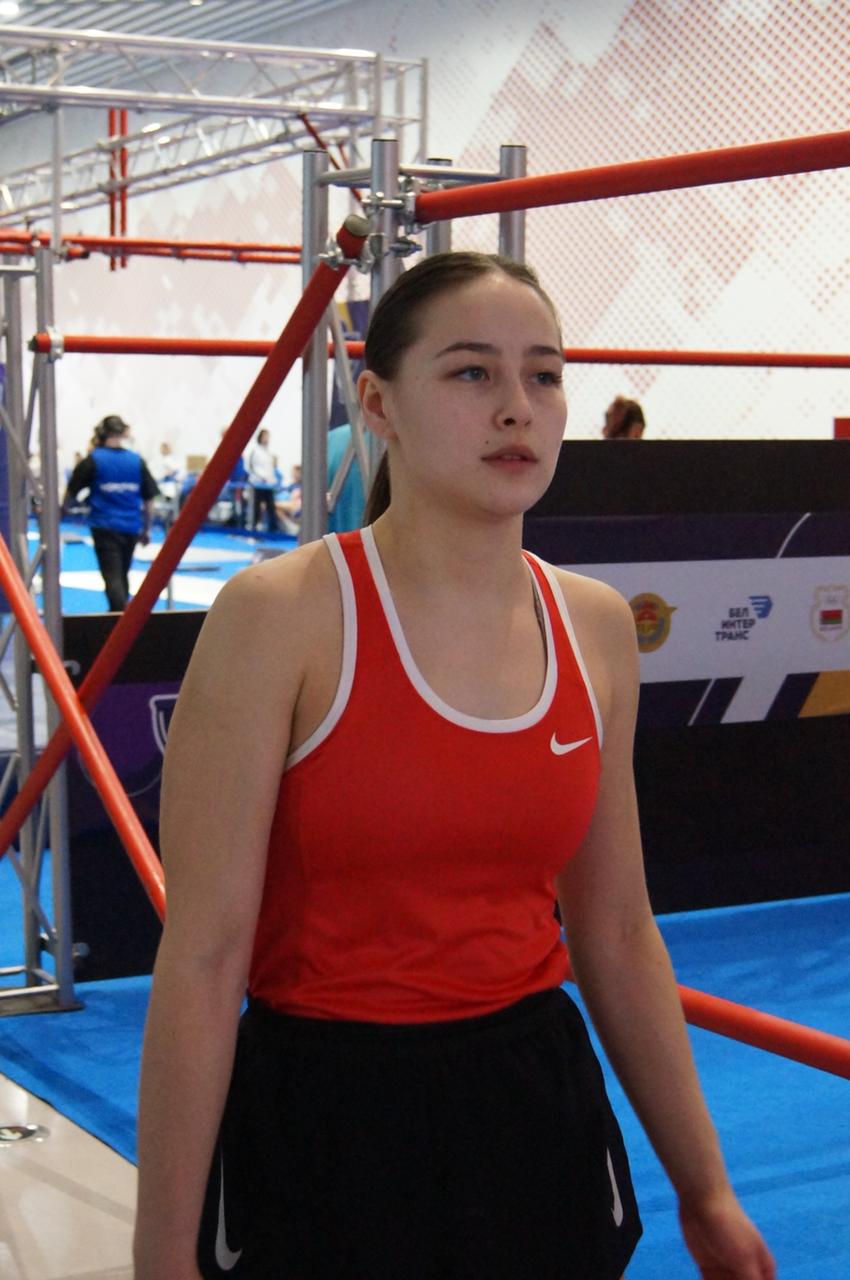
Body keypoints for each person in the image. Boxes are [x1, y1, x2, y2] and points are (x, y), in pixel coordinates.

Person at [133, 253, 775, 1280]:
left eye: (544, 375)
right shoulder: (281, 617)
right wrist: (163, 1253)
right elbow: (205, 958)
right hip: (325, 1119)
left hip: (534, 1110)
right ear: (378, 404)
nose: (517, 407)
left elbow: (615, 927)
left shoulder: (595, 626)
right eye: (472, 372)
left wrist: (706, 1190)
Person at [63, 414, 158, 611]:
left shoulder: (93, 460)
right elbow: (149, 500)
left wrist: (62, 512)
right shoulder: (136, 460)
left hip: (105, 526)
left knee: (112, 576)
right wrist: (146, 528)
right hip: (131, 525)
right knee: (122, 573)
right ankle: (123, 615)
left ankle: (119, 617)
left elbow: (71, 491)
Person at [245, 427, 280, 532]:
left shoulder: (268, 452)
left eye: (268, 436)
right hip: (257, 484)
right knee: (256, 507)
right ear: (260, 437)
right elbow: (251, 467)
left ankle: (273, 529)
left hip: (268, 485)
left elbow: (270, 468)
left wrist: (272, 480)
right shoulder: (255, 451)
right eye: (265, 436)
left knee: (271, 507)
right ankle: (253, 528)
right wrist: (261, 477)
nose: (267, 438)